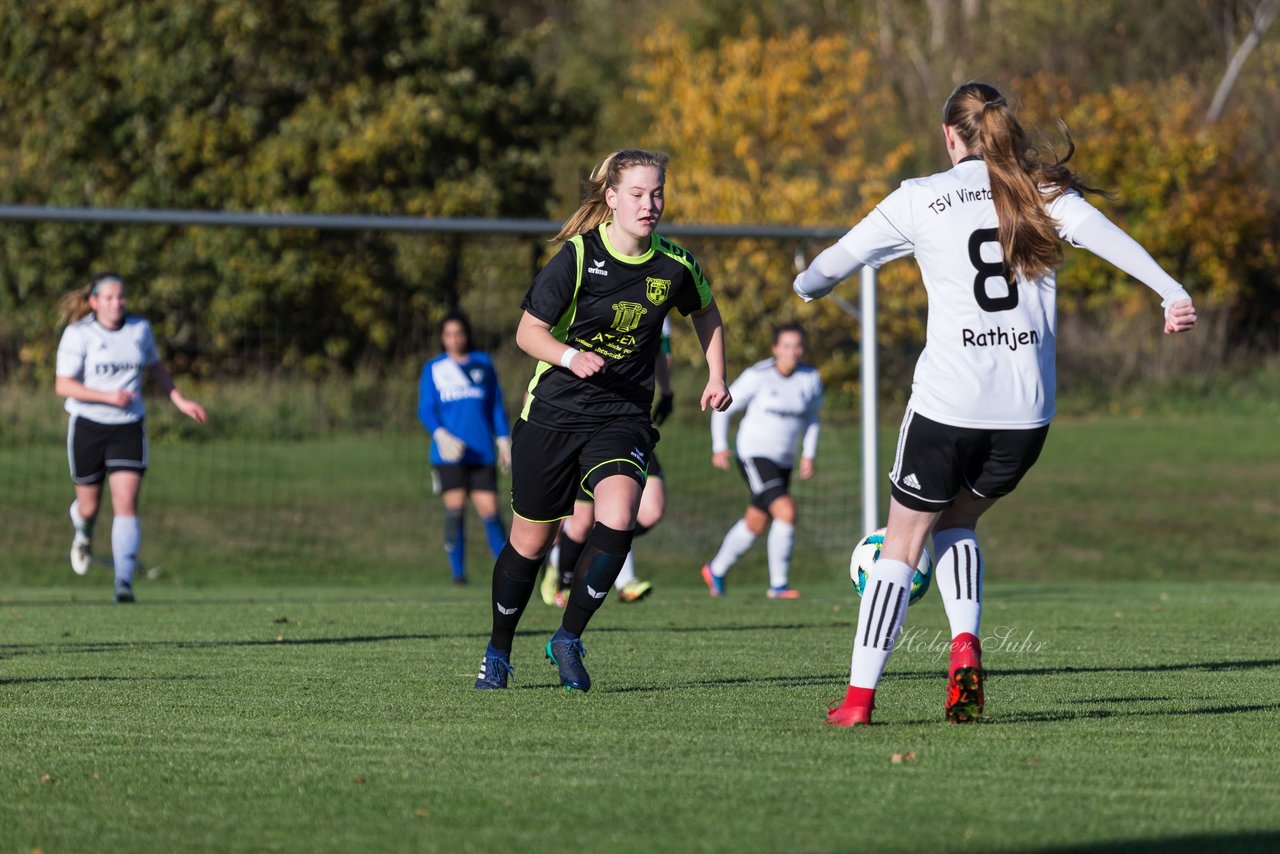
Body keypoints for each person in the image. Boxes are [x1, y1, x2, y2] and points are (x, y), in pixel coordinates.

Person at [794, 81, 1197, 727]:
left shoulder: (918, 198)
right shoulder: (1043, 192)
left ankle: (858, 701)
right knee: (958, 523)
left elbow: (823, 272)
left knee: (900, 546)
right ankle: (963, 648)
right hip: (1025, 415)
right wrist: (1170, 292)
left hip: (949, 405)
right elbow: (1112, 240)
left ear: (950, 137)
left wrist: (807, 285)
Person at [474, 148, 732, 692]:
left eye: (657, 192)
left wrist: (716, 375)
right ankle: (498, 649)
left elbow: (705, 312)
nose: (650, 204)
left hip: (622, 415)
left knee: (618, 516)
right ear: (611, 199)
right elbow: (527, 333)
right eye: (637, 194)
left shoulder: (675, 265)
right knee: (530, 544)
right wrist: (570, 357)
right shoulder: (575, 257)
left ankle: (568, 637)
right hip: (554, 413)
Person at [55, 273, 208, 603]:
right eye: (108, 298)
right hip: (88, 426)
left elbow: (156, 368)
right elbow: (63, 385)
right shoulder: (79, 334)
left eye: (121, 297)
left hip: (128, 426)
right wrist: (107, 397)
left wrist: (180, 400)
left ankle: (123, 582)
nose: (116, 303)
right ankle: (83, 533)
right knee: (89, 505)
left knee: (126, 503)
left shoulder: (140, 329)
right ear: (94, 302)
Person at [539, 317, 676, 607]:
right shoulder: (596, 298)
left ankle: (608, 565)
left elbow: (660, 353)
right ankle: (564, 569)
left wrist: (667, 390)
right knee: (582, 522)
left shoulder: (664, 292)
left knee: (650, 510)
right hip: (587, 426)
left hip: (632, 425)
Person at [700, 324, 824, 599]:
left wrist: (809, 453)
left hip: (784, 460)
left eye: (797, 346)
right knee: (786, 512)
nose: (792, 352)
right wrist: (719, 446)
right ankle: (778, 585)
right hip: (753, 454)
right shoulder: (758, 375)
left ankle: (715, 569)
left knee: (756, 522)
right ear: (775, 349)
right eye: (787, 345)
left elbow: (812, 418)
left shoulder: (810, 377)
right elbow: (721, 406)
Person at [417, 311, 512, 586]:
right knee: (455, 510)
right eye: (448, 334)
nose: (454, 339)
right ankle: (458, 574)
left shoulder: (483, 364)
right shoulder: (434, 368)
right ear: (442, 338)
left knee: (490, 511)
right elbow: (426, 409)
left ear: (466, 334)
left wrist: (503, 439)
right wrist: (440, 434)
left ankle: (508, 571)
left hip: (482, 452)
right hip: (449, 454)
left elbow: (495, 404)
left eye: (458, 333)